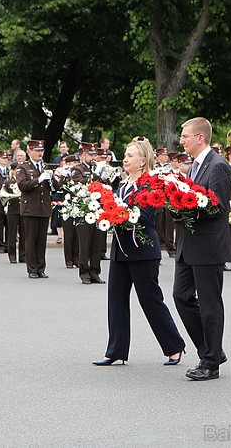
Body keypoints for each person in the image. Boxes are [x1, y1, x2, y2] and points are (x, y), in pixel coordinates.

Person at [93, 137, 185, 366]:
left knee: (150, 300)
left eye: (130, 155)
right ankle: (116, 351)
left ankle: (174, 347)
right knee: (116, 300)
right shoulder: (122, 185)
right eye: (125, 155)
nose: (125, 159)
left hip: (143, 250)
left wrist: (118, 213)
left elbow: (145, 216)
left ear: (143, 161)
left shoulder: (150, 184)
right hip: (121, 249)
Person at [172, 117, 231, 381]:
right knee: (181, 296)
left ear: (200, 138)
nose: (181, 141)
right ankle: (212, 350)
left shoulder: (218, 165)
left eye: (185, 136)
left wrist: (187, 206)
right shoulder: (193, 167)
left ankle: (210, 363)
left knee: (209, 305)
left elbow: (218, 208)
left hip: (207, 244)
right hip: (189, 243)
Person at [16, 139, 55, 279]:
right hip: (30, 208)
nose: (40, 153)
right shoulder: (23, 168)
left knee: (41, 240)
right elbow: (22, 186)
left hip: (43, 208)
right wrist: (38, 180)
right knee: (31, 239)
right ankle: (32, 269)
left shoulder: (46, 166)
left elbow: (56, 187)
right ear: (29, 152)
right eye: (37, 150)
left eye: (41, 150)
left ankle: (41, 268)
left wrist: (52, 181)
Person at [71, 142, 107, 284]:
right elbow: (82, 186)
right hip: (84, 211)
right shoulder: (77, 169)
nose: (93, 157)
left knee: (97, 243)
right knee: (85, 243)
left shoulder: (96, 169)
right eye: (90, 155)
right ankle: (84, 272)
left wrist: (103, 175)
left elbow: (107, 186)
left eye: (94, 155)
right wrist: (96, 176)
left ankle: (95, 272)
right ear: (82, 155)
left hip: (98, 210)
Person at [58, 154, 80, 268]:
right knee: (69, 234)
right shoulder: (65, 175)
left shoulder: (78, 174)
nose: (74, 165)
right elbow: (58, 187)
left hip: (78, 206)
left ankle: (76, 258)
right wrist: (63, 176)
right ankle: (68, 259)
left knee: (77, 234)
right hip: (67, 206)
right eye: (72, 163)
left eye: (76, 163)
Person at [1, 162, 25, 264]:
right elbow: (3, 194)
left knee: (24, 233)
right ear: (13, 171)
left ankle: (23, 255)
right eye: (16, 170)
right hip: (13, 209)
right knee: (12, 233)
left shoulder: (24, 181)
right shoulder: (8, 182)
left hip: (23, 209)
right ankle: (12, 255)